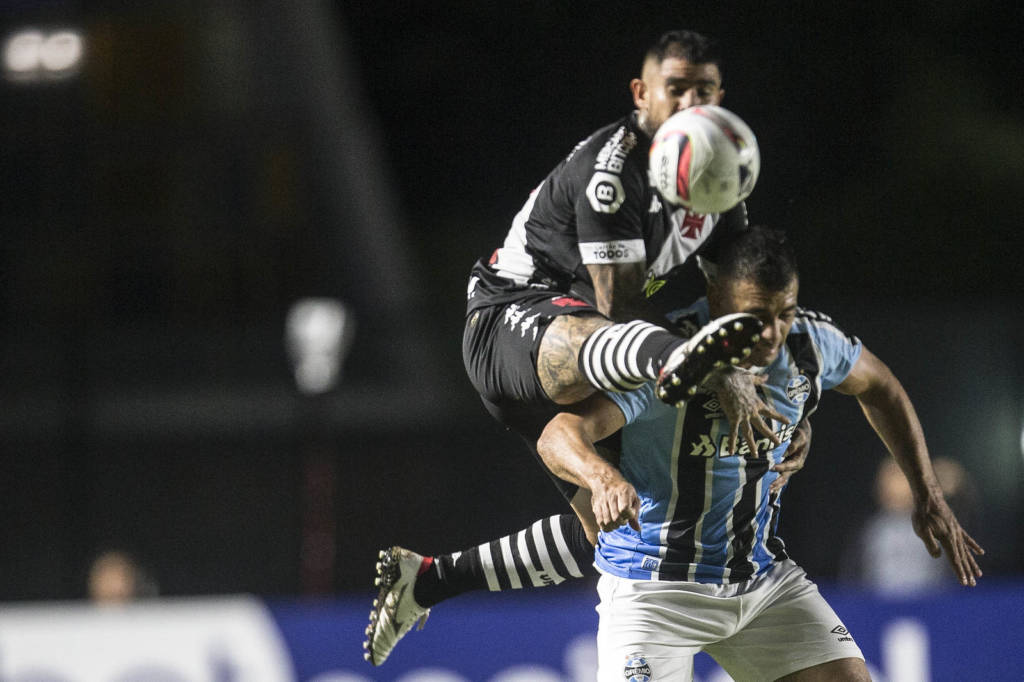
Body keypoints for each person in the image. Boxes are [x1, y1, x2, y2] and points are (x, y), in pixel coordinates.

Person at [364, 29, 798, 666]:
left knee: (615, 531)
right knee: (614, 335)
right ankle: (680, 361)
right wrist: (713, 367)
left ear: (720, 96)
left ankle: (427, 581)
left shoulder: (721, 174)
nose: (689, 103)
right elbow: (619, 307)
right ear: (641, 93)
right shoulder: (612, 172)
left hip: (599, 358)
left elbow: (739, 300)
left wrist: (787, 413)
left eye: (703, 90)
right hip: (511, 321)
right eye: (675, 88)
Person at [533, 226, 984, 680]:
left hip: (761, 580)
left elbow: (881, 386)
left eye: (784, 313)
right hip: (653, 589)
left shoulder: (809, 343)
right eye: (754, 316)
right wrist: (602, 478)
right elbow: (559, 435)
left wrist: (927, 493)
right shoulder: (669, 358)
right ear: (716, 297)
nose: (771, 334)